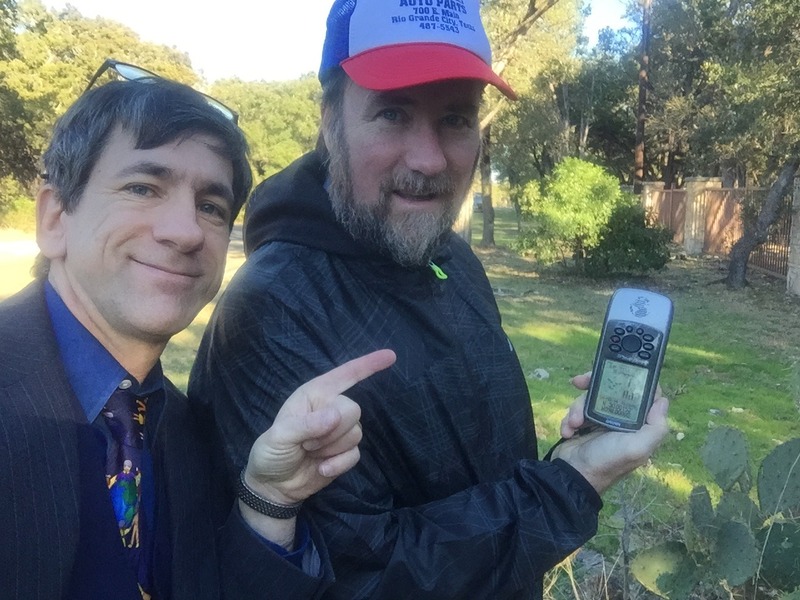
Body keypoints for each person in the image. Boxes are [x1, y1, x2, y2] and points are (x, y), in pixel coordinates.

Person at [189, 0, 670, 598]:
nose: (430, 159)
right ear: (330, 120)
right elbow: (356, 576)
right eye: (392, 113)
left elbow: (481, 481)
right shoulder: (274, 309)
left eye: (456, 119)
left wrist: (580, 454)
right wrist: (571, 484)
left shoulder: (450, 258)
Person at [0, 62, 395, 600]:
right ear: (54, 218)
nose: (186, 232)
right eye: (142, 187)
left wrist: (270, 497)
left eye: (211, 206)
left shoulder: (183, 431)